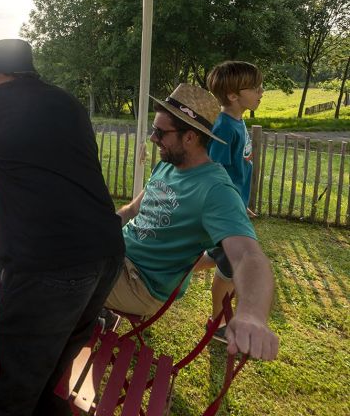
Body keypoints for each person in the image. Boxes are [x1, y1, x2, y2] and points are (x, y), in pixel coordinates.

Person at [0, 39, 124, 415]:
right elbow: (60, 168)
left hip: (49, 260)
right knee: (52, 360)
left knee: (1, 367)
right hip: (106, 251)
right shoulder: (67, 101)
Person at [109, 84, 279, 362]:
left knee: (51, 269)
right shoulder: (167, 165)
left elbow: (249, 254)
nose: (153, 138)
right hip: (117, 258)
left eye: (161, 132)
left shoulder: (216, 190)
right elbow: (131, 209)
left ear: (190, 137)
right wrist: (100, 226)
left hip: (142, 285)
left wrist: (252, 314)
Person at [200, 61, 265, 341]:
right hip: (225, 213)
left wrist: (242, 202)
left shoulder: (238, 120)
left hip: (234, 207)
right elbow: (215, 171)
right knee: (229, 269)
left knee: (220, 260)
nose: (262, 92)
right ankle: (217, 323)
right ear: (233, 96)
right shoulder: (225, 126)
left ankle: (181, 266)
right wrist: (231, 208)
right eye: (256, 88)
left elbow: (236, 169)